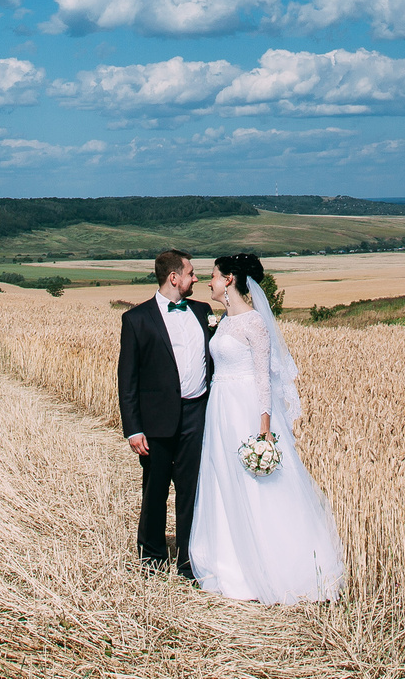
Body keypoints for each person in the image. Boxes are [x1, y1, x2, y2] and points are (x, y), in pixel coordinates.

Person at [186, 252, 344, 604]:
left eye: (212, 276)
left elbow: (263, 377)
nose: (207, 282)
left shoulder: (254, 323)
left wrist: (265, 424)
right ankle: (230, 564)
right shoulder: (224, 320)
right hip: (220, 406)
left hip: (244, 407)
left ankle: (273, 566)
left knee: (253, 482)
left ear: (228, 279)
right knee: (222, 478)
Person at [116, 247, 213, 576]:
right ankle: (152, 557)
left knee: (191, 490)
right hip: (156, 420)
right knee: (155, 489)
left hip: (197, 414)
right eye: (191, 273)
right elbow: (127, 379)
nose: (195, 277)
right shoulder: (136, 319)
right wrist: (133, 428)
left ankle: (189, 562)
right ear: (174, 278)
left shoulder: (203, 311)